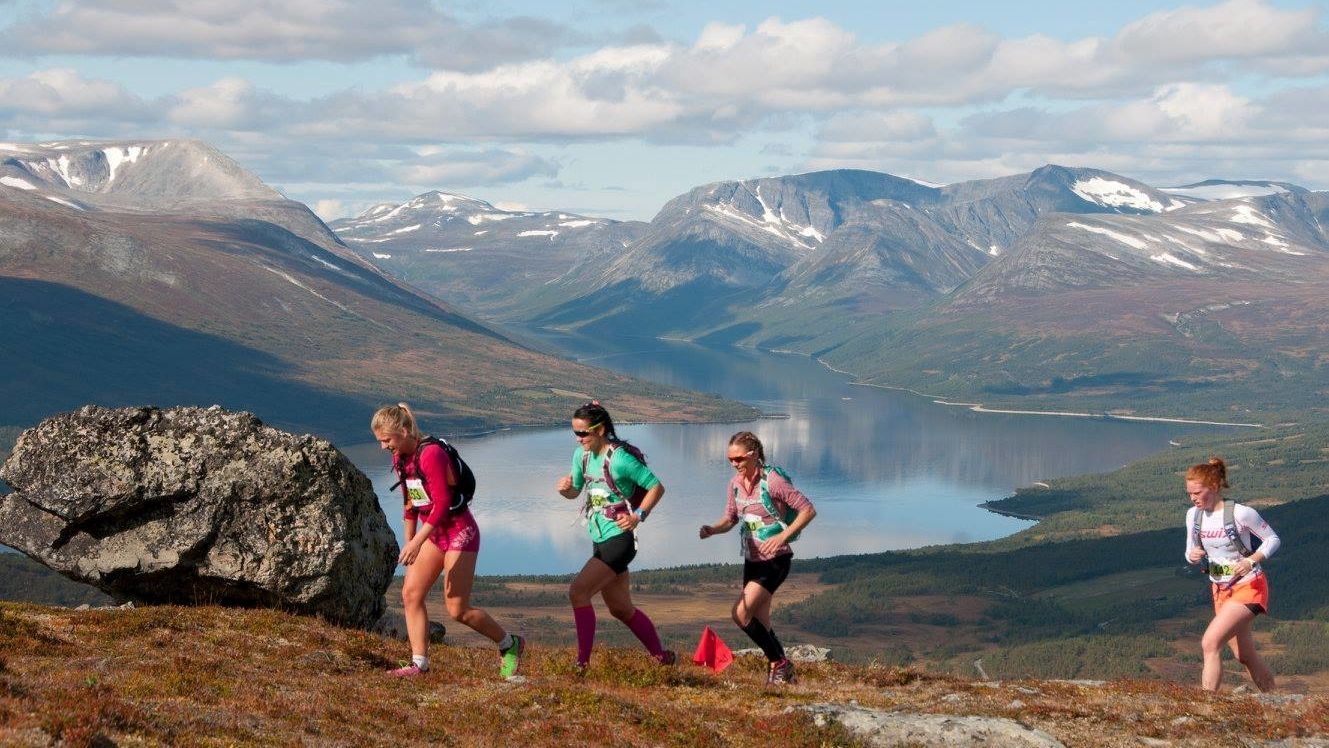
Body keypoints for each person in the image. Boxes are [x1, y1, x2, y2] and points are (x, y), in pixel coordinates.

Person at [372, 403, 524, 678]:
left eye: (386, 440)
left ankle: (509, 644)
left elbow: (441, 504)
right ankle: (419, 665)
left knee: (457, 608)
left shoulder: (431, 455)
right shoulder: (400, 459)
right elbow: (410, 503)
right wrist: (410, 543)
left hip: (459, 531)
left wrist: (417, 541)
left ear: (404, 431)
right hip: (433, 535)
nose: (383, 447)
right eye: (380, 441)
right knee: (410, 594)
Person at [555, 401, 673, 671]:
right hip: (599, 537)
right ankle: (662, 658)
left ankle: (581, 664)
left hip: (620, 540)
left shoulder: (619, 459)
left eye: (583, 433)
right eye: (575, 433)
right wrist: (565, 490)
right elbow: (575, 490)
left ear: (601, 429)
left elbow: (656, 487)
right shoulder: (581, 456)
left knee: (578, 592)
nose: (579, 438)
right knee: (620, 608)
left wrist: (638, 516)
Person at [699, 431, 816, 685]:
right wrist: (713, 529)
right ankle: (786, 676)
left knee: (740, 614)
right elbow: (731, 517)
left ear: (753, 455)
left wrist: (784, 535)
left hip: (776, 559)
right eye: (730, 459)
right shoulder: (735, 484)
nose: (734, 464)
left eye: (739, 459)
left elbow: (808, 510)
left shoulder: (772, 481)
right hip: (752, 561)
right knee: (761, 620)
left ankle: (779, 663)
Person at [1184, 457, 1280, 692]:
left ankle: (1206, 706)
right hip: (1220, 589)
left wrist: (1250, 561)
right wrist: (1192, 555)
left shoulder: (1241, 513)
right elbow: (1189, 550)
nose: (1193, 498)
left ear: (1214, 487)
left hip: (1249, 586)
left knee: (1210, 642)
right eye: (1189, 494)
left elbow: (1273, 539)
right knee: (1244, 655)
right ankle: (1275, 700)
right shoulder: (1193, 516)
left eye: (1197, 492)